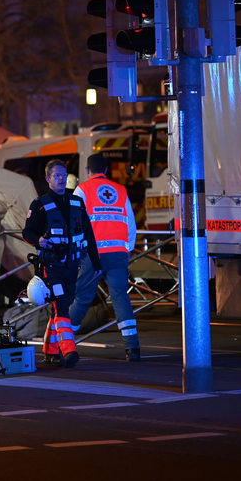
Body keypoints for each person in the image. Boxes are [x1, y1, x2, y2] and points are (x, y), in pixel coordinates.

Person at [22, 159, 101, 367]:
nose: (61, 179)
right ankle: (69, 351)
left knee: (59, 308)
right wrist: (38, 240)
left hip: (72, 266)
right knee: (62, 307)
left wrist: (96, 261)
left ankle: (50, 351)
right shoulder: (39, 204)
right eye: (57, 175)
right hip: (51, 266)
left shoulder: (76, 202)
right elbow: (27, 232)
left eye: (64, 175)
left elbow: (89, 234)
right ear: (48, 179)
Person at [69, 153, 141, 361]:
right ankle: (132, 347)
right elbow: (131, 225)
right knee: (120, 296)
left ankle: (63, 341)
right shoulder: (120, 190)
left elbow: (76, 223)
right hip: (118, 253)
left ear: (87, 171)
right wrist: (127, 250)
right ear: (107, 170)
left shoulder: (82, 189)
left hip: (93, 254)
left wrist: (77, 251)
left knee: (83, 298)